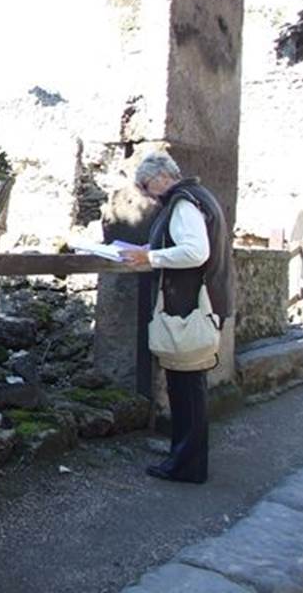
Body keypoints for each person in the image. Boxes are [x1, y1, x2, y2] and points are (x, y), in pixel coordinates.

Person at [119, 152, 234, 484]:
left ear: (162, 177)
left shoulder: (183, 203)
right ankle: (185, 459)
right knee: (189, 389)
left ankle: (186, 465)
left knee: (187, 391)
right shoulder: (200, 196)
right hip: (200, 303)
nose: (145, 192)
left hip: (190, 306)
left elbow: (195, 252)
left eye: (145, 184)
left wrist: (150, 256)